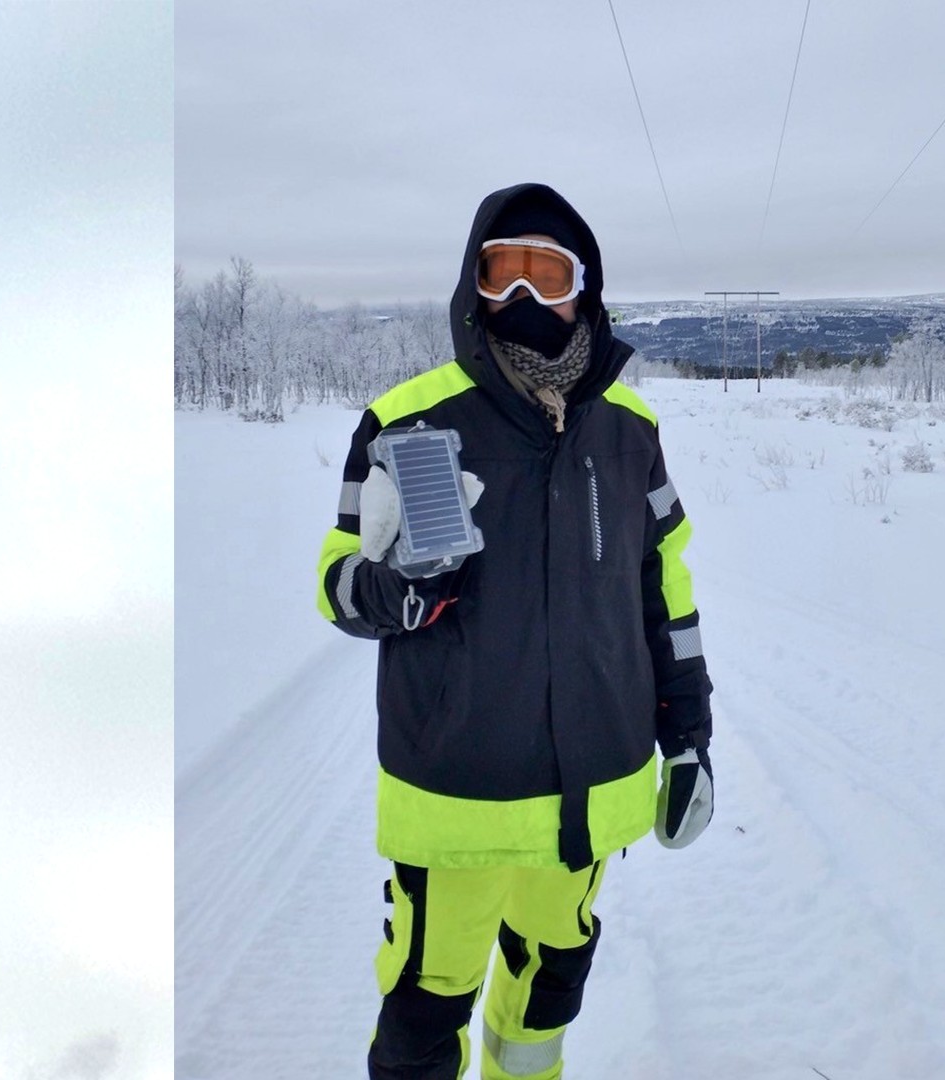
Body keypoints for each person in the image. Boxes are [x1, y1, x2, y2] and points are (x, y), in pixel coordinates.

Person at [315, 182, 714, 1080]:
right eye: (504, 273)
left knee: (544, 1000)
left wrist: (687, 735)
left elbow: (667, 592)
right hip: (456, 793)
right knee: (424, 1013)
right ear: (474, 284)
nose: (525, 298)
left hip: (594, 792)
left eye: (548, 272)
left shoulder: (631, 430)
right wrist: (397, 589)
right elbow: (337, 586)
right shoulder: (406, 420)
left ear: (586, 286)